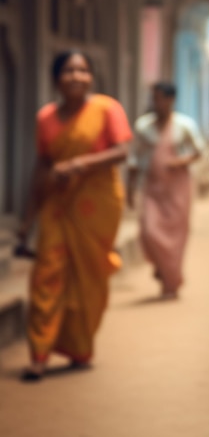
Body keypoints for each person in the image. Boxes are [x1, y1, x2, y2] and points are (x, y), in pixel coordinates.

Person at [15, 50, 132, 381]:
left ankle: (80, 348)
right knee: (46, 274)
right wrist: (27, 219)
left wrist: (80, 164)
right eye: (68, 70)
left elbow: (122, 152)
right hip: (56, 202)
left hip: (97, 204)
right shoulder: (46, 118)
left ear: (91, 76)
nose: (76, 76)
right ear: (56, 78)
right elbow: (42, 165)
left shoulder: (107, 108)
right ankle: (38, 354)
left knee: (88, 276)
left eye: (82, 70)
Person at [127, 81, 205, 299]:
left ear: (170, 100)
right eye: (153, 98)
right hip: (152, 187)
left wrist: (179, 162)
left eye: (159, 97)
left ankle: (170, 280)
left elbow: (199, 151)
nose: (155, 102)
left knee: (176, 234)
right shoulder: (143, 126)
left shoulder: (185, 125)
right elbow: (134, 158)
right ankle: (162, 266)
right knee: (149, 231)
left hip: (178, 188)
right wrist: (129, 189)